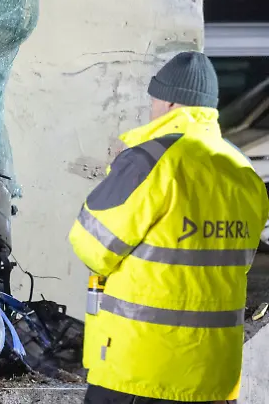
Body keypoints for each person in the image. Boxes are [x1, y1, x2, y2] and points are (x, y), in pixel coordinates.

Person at [68, 50, 269, 404]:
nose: (151, 108)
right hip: (215, 377)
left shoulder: (150, 160)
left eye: (154, 99)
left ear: (170, 101)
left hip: (141, 371)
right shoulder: (244, 170)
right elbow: (240, 259)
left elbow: (92, 246)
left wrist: (119, 177)